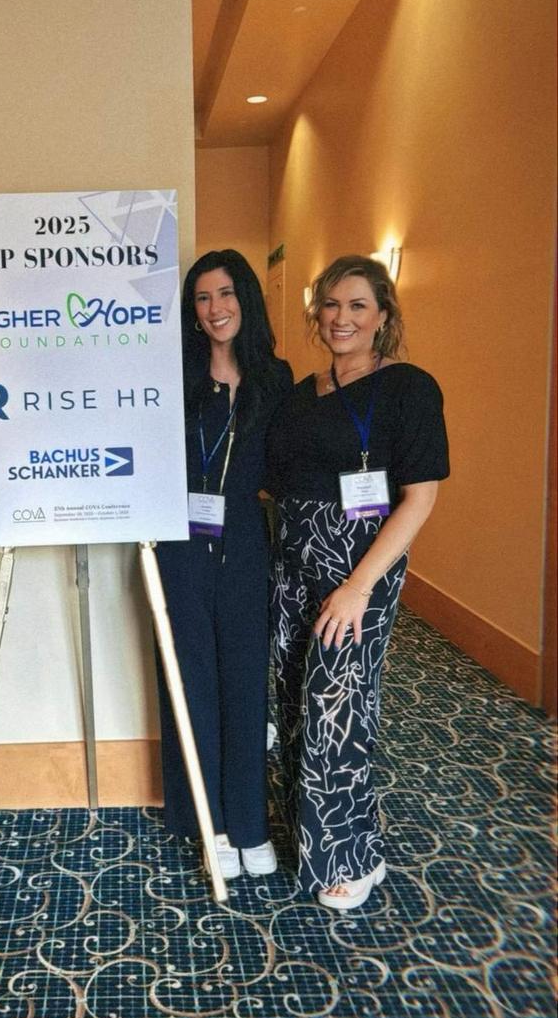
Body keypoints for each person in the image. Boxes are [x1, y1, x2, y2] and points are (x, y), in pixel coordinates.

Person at [268, 255, 448, 910]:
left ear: (382, 316)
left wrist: (359, 586)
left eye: (357, 306)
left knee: (338, 708)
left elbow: (420, 498)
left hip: (358, 567)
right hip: (293, 563)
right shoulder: (301, 393)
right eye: (331, 305)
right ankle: (326, 840)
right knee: (294, 705)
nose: (341, 318)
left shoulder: (408, 388)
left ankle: (353, 859)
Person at [156, 249, 292, 880]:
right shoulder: (173, 376)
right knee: (192, 684)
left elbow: (289, 467)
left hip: (243, 538)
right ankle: (209, 824)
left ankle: (248, 824)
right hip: (178, 542)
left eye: (227, 293)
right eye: (203, 297)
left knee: (243, 683)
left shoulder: (276, 379)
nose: (216, 308)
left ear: (247, 300)